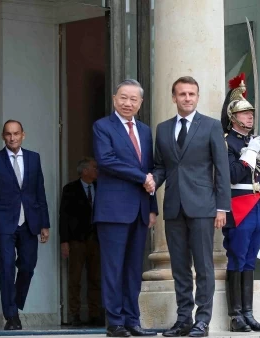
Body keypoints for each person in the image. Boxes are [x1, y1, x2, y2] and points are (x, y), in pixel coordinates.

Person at [152, 76, 230, 337]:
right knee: (179, 266)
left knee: (204, 266)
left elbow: (221, 169)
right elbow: (160, 165)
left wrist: (222, 208)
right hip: (174, 206)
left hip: (203, 206)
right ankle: (184, 319)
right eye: (182, 94)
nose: (187, 98)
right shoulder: (162, 129)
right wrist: (153, 182)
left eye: (192, 94)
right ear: (173, 97)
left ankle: (202, 321)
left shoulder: (210, 126)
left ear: (197, 97)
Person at [92, 79, 157, 337]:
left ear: (140, 103)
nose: (128, 103)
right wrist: (141, 178)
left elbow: (149, 169)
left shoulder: (144, 131)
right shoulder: (102, 127)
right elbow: (106, 160)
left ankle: (133, 320)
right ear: (114, 98)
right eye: (123, 97)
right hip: (113, 210)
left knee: (133, 269)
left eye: (133, 99)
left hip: (140, 210)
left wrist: (152, 206)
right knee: (113, 269)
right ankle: (115, 323)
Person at [0, 119, 51, 330]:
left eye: (16, 133)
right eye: (8, 134)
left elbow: (40, 191)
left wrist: (44, 224)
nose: (12, 137)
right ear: (3, 136)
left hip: (29, 221)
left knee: (28, 266)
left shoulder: (33, 158)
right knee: (7, 266)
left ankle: (15, 302)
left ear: (23, 135)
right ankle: (11, 316)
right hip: (3, 223)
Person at [220, 74, 260, 332]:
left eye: (251, 113)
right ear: (233, 116)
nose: (249, 117)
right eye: (244, 113)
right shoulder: (227, 142)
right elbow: (232, 175)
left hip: (258, 204)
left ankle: (249, 313)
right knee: (237, 258)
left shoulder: (252, 141)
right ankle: (236, 315)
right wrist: (248, 154)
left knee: (251, 259)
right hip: (239, 205)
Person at [59, 157, 103, 326]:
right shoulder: (70, 189)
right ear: (84, 171)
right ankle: (74, 314)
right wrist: (64, 241)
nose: (97, 170)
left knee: (95, 278)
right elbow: (64, 216)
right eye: (94, 167)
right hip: (76, 240)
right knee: (75, 279)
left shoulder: (101, 187)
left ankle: (95, 313)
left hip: (96, 240)